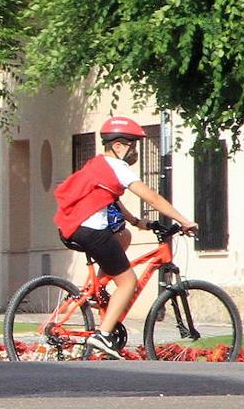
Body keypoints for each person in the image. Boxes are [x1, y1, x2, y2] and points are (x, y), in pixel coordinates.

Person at [54, 116, 197, 358]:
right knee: (128, 283)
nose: (135, 151)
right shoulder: (118, 168)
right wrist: (184, 220)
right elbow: (151, 197)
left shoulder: (99, 165)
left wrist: (138, 222)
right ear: (118, 146)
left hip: (75, 228)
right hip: (91, 231)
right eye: (133, 145)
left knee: (123, 237)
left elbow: (111, 200)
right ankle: (104, 335)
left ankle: (97, 289)